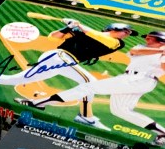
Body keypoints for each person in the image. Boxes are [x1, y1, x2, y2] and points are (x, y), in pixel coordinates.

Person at [0, 21, 135, 122]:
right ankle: (85, 116)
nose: (127, 34)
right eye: (125, 31)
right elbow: (53, 37)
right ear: (115, 27)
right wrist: (67, 28)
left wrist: (79, 26)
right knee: (90, 83)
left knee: (11, 80)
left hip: (66, 61)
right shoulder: (86, 33)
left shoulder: (116, 42)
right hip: (59, 57)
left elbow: (101, 37)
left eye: (128, 33)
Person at [20, 30, 165, 139]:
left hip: (141, 79)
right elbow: (135, 51)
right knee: (120, 110)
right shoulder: (143, 48)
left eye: (150, 37)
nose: (146, 38)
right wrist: (160, 50)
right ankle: (162, 132)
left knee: (87, 87)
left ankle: (38, 102)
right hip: (133, 79)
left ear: (160, 40)